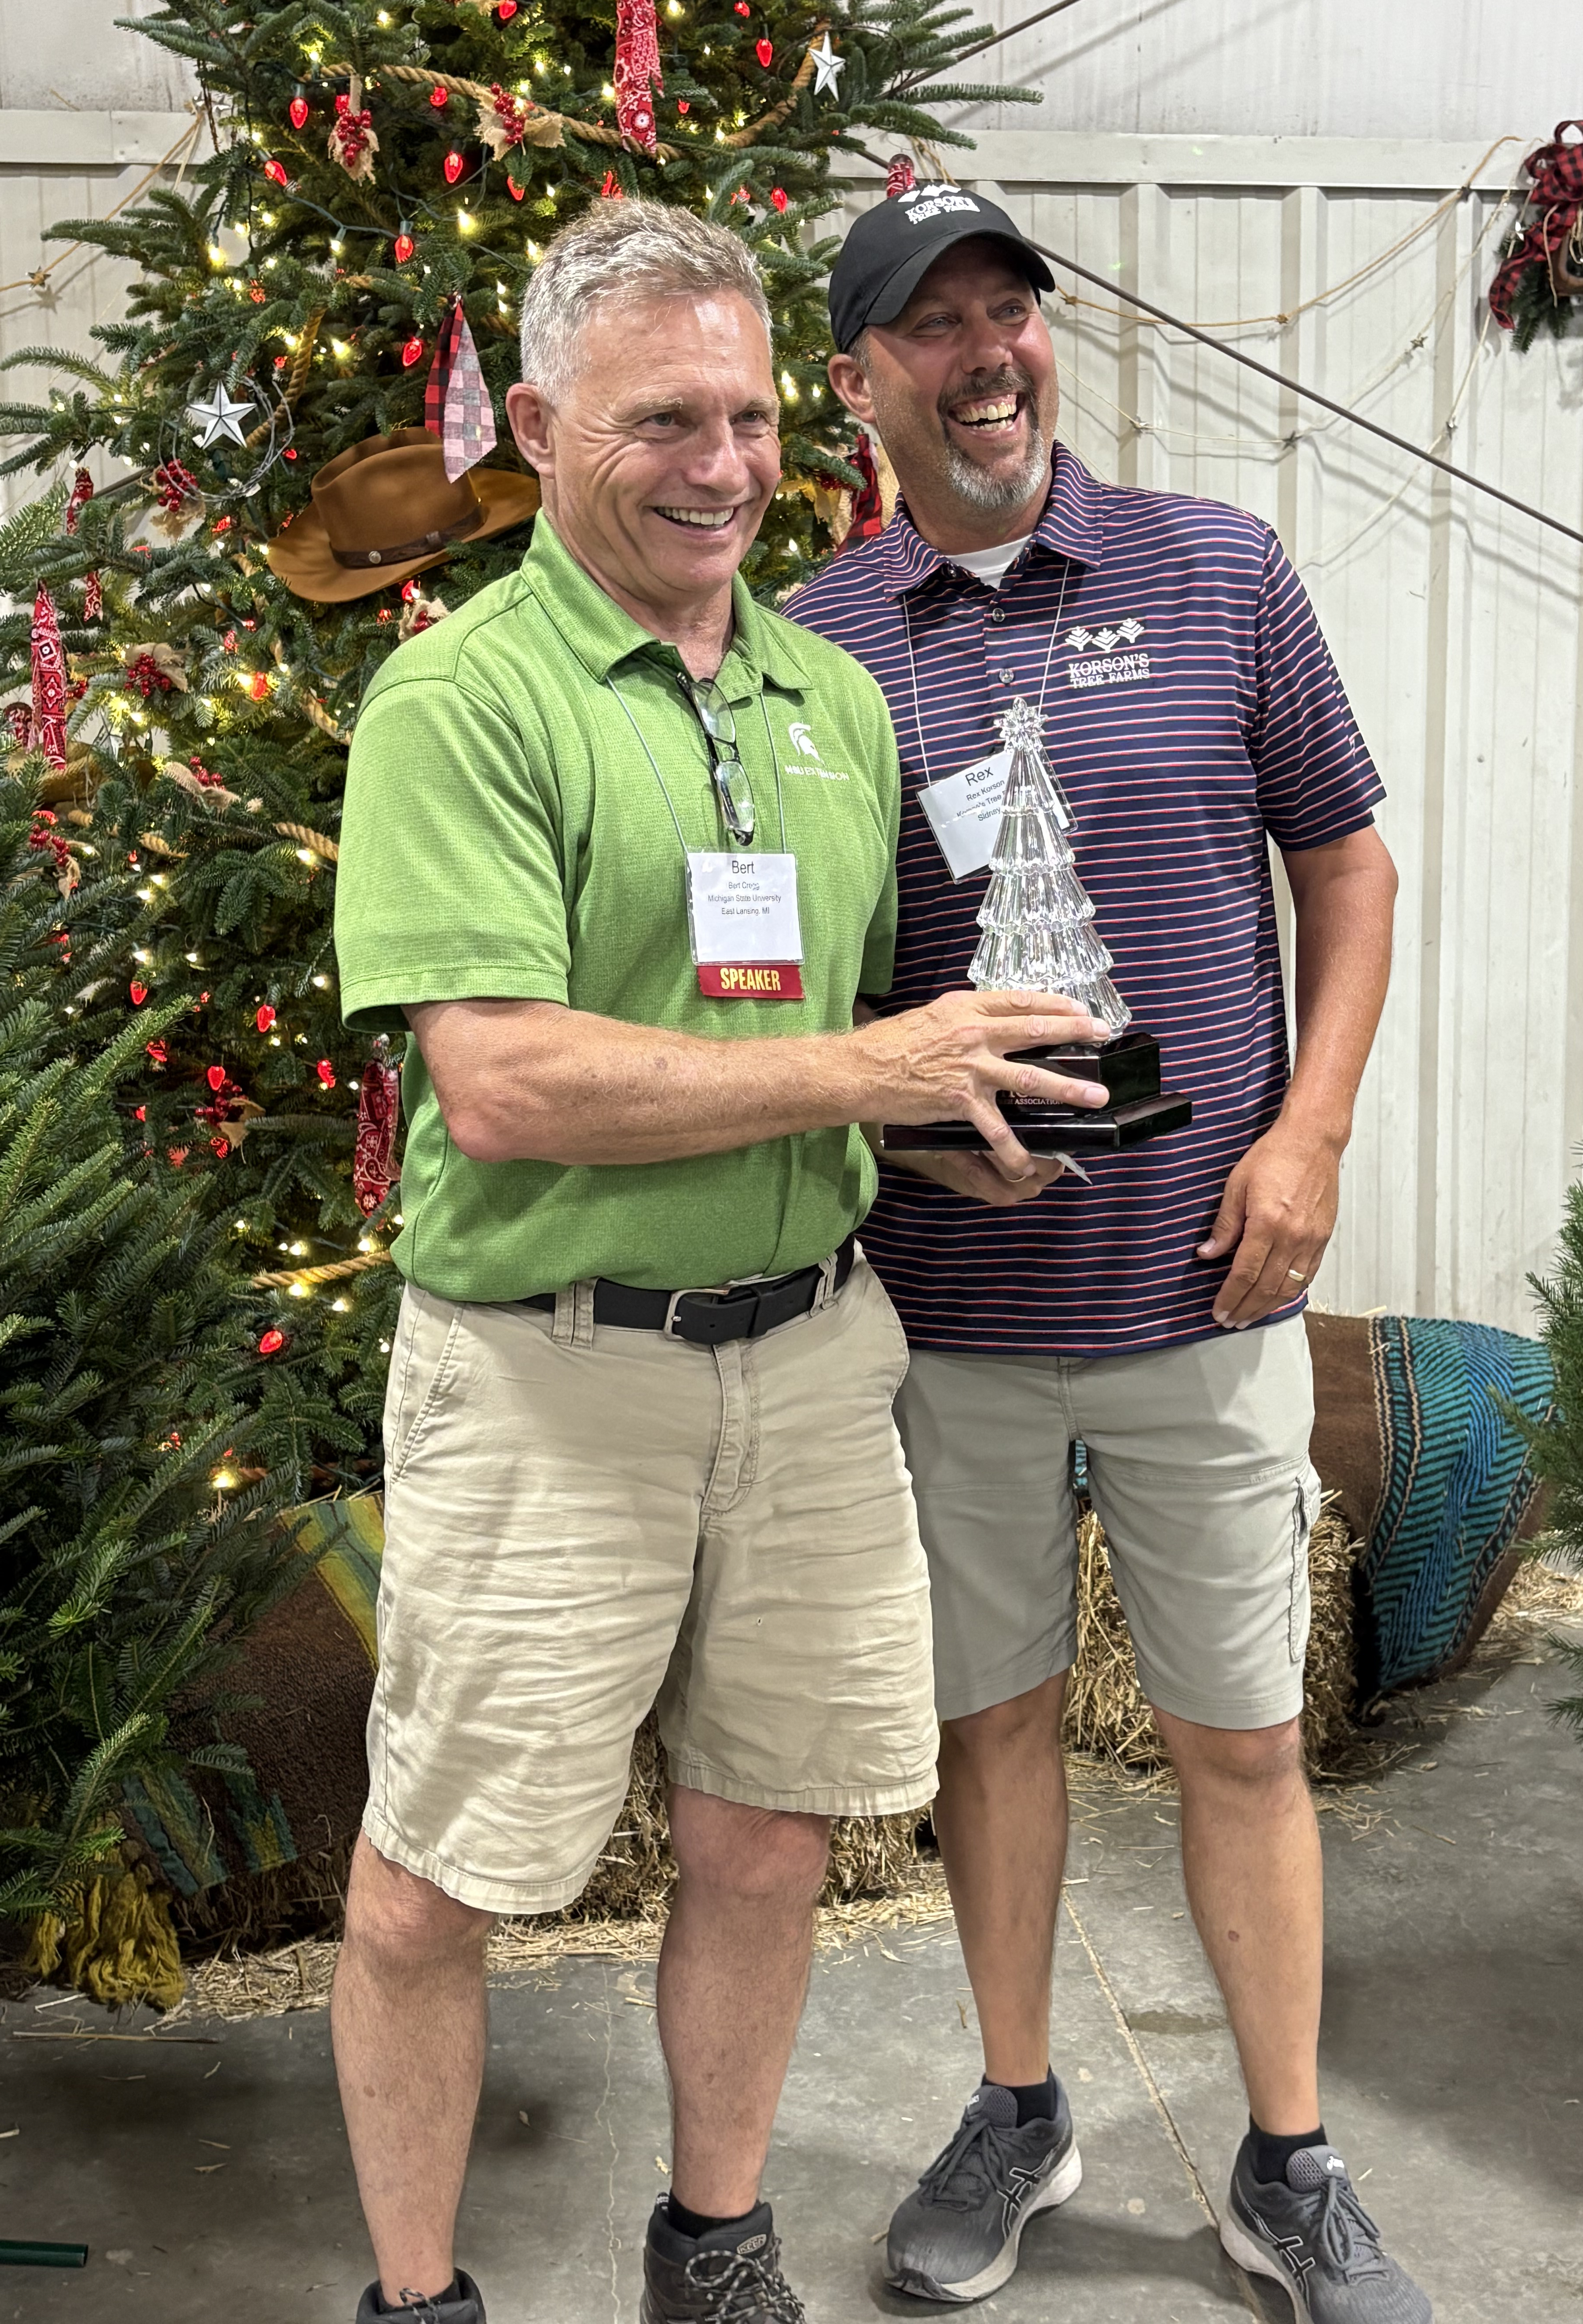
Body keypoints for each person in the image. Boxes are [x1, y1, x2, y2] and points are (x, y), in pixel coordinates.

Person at [330, 199, 1117, 2324]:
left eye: (757, 416)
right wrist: (877, 1059)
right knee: (442, 1882)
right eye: (663, 417)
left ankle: (717, 2245)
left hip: (810, 1367)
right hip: (548, 1378)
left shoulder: (827, 699)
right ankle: (423, 2302)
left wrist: (949, 1139)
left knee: (772, 1837)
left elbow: (806, 1062)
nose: (727, 464)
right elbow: (499, 1083)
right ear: (536, 421)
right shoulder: (460, 699)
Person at [788, 181, 1427, 2324]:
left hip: (1205, 1296)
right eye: (933, 326)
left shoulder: (1218, 571)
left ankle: (1291, 2158)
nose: (988, 353)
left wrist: (1313, 1134)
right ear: (862, 381)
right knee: (995, 1733)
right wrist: (895, 1115)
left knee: (1242, 1738)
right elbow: (784, 1010)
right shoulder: (812, 647)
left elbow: (1348, 871)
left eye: (1011, 312)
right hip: (950, 1326)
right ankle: (1020, 2099)